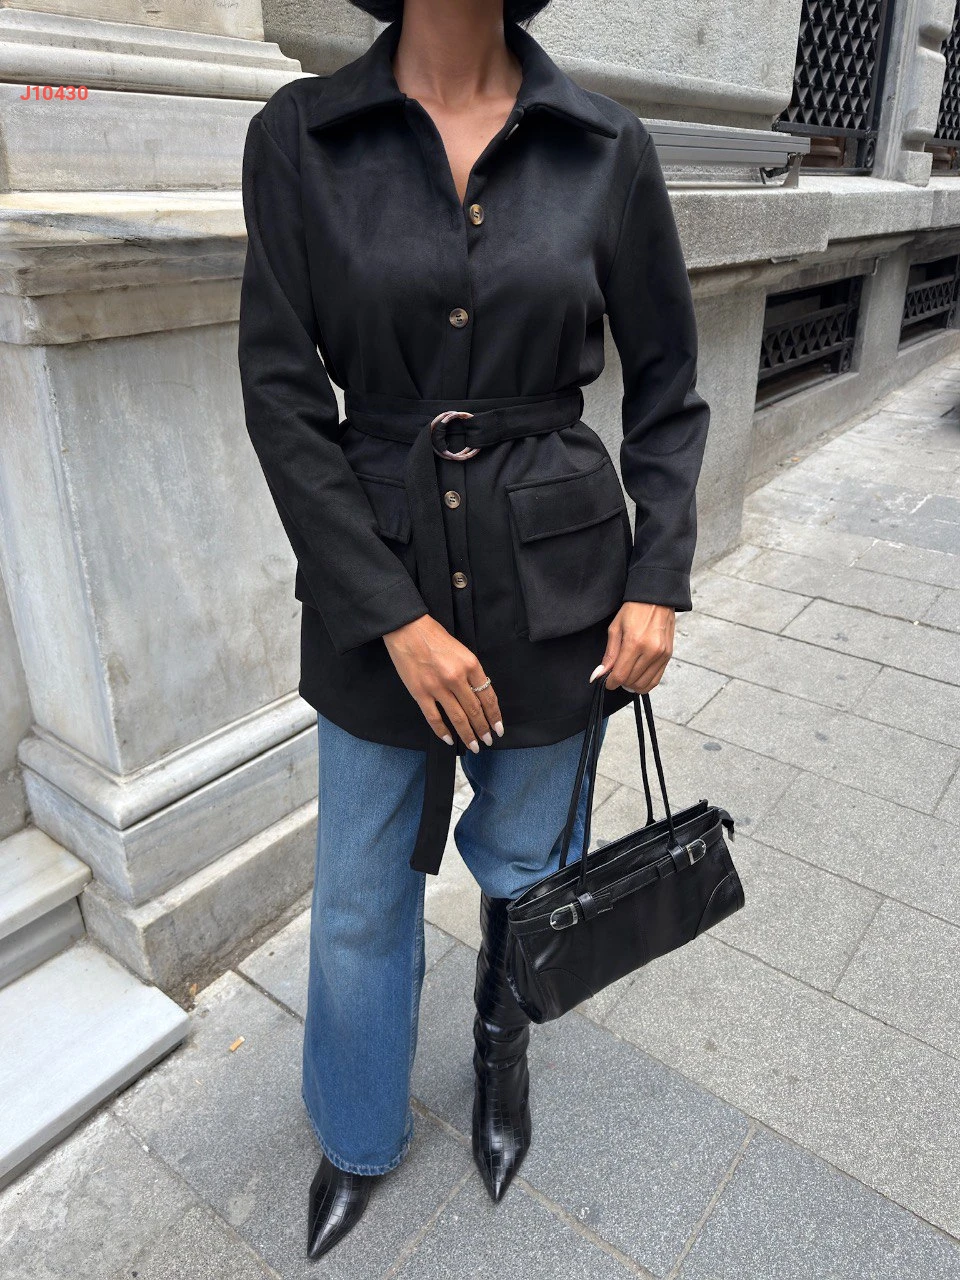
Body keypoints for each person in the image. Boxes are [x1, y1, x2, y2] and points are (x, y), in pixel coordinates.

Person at [237, 0, 710, 1260]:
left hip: (559, 579)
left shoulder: (605, 145)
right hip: (376, 568)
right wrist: (391, 615)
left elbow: (669, 383)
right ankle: (356, 1125)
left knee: (528, 860)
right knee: (357, 893)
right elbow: (282, 396)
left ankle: (503, 1060)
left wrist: (657, 575)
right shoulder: (301, 137)